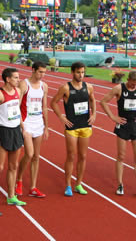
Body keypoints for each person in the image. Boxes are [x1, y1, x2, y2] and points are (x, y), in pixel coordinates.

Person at [100, 71, 136, 198]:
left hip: (135, 125)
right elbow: (103, 102)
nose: (134, 86)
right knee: (121, 156)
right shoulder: (119, 88)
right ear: (128, 79)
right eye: (133, 84)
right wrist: (113, 117)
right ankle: (120, 184)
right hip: (123, 125)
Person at [50, 62, 96, 197]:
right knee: (71, 156)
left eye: (82, 72)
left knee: (83, 156)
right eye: (78, 72)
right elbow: (53, 102)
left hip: (85, 126)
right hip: (71, 127)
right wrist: (61, 117)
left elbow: (93, 100)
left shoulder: (89, 87)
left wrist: (94, 114)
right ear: (72, 72)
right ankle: (68, 185)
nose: (81, 75)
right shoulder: (65, 88)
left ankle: (79, 184)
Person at [0, 68, 26, 210]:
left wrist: (22, 127)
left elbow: (17, 111)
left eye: (18, 77)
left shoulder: (17, 92)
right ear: (7, 79)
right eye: (16, 78)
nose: (18, 80)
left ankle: (11, 196)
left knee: (13, 166)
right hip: (3, 131)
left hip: (16, 130)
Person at [16, 62, 49, 198]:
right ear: (33, 70)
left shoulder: (44, 86)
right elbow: (16, 105)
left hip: (38, 123)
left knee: (36, 156)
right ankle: (19, 180)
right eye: (40, 72)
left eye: (44, 72)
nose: (42, 75)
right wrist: (21, 124)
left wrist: (46, 126)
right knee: (29, 154)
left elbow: (45, 106)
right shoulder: (24, 85)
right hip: (26, 123)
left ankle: (33, 187)